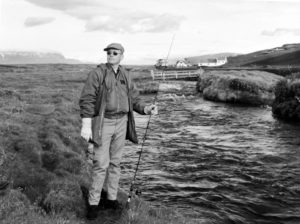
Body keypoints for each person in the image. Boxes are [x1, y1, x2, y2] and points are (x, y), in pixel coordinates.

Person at [79, 43, 158, 220]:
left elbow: (135, 100)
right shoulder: (97, 73)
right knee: (100, 163)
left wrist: (146, 109)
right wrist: (86, 124)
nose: (111, 55)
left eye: (115, 53)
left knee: (116, 163)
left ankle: (112, 199)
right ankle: (93, 203)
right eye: (109, 53)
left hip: (122, 122)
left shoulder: (126, 75)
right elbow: (87, 99)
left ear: (122, 56)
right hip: (103, 123)